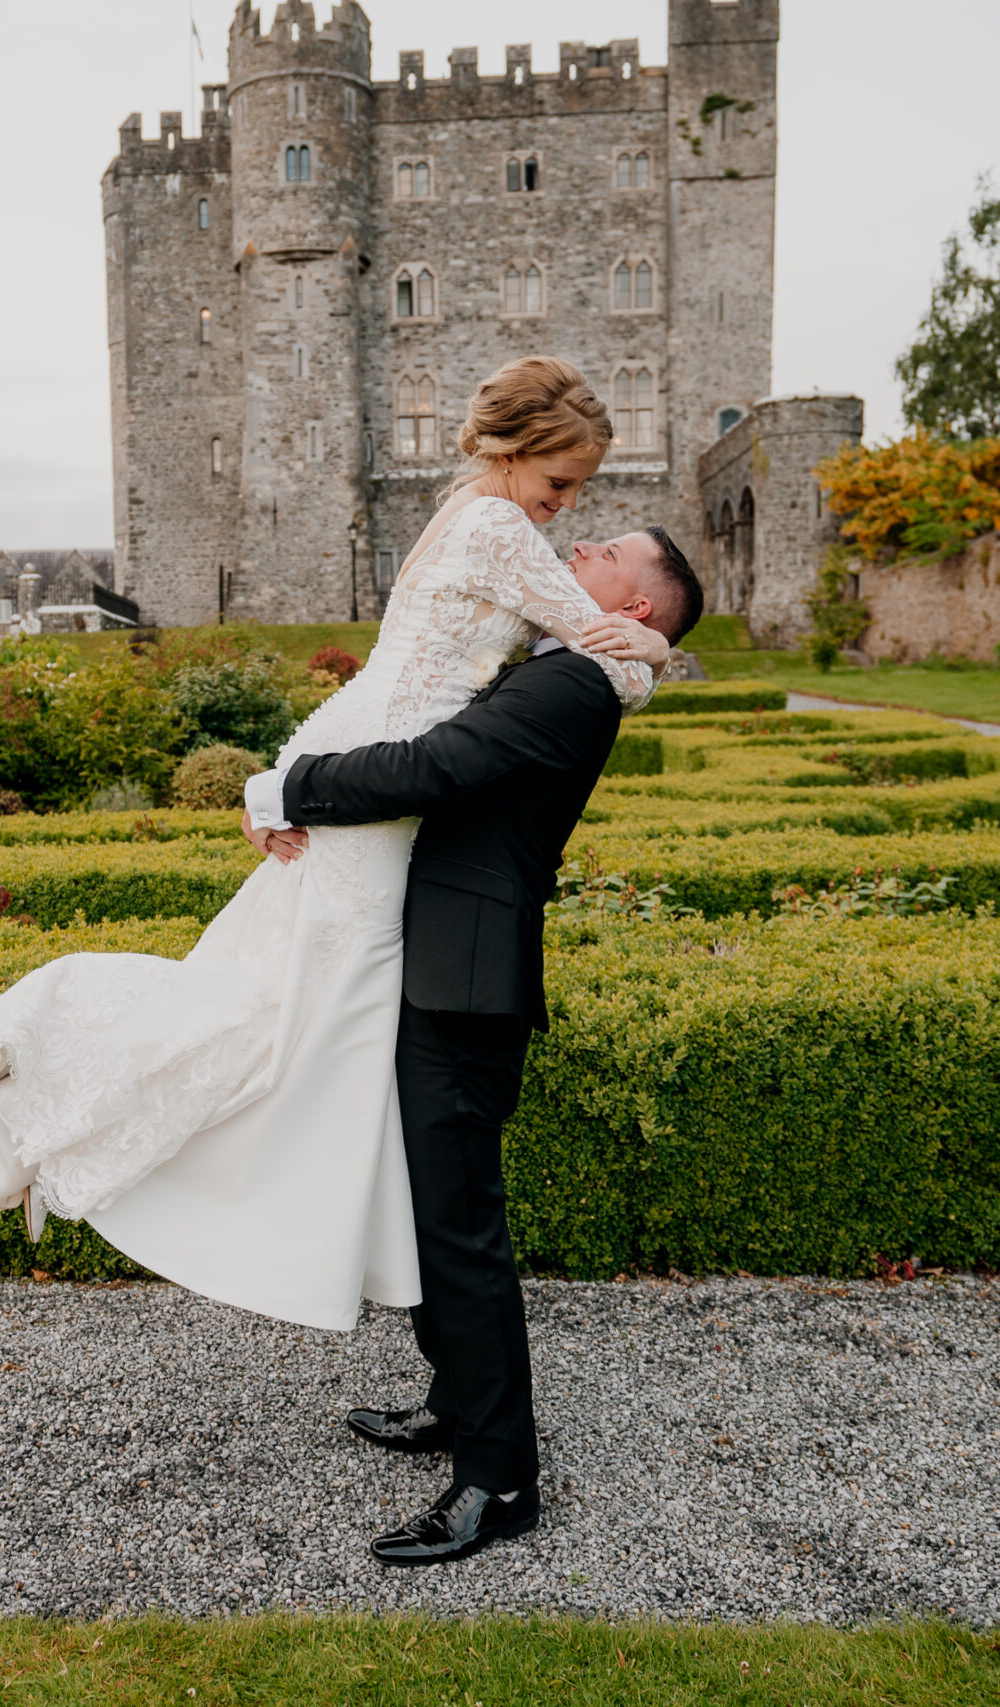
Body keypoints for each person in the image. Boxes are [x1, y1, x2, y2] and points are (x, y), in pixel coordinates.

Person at [0, 354, 679, 1333]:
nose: (565, 510)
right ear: (511, 453)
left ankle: (359, 1262)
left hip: (355, 756)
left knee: (300, 1021)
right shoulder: (494, 523)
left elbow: (397, 671)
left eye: (577, 491)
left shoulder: (465, 513)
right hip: (377, 792)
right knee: (293, 1030)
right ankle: (57, 1095)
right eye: (559, 484)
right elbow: (605, 648)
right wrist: (655, 642)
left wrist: (283, 774)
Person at [241, 516, 700, 1565]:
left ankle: (498, 1480)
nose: (575, 548)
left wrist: (285, 788)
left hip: (465, 985)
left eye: (604, 555)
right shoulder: (572, 663)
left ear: (629, 608)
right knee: (428, 1206)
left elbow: (436, 767)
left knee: (461, 1232)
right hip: (435, 963)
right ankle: (455, 1404)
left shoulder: (576, 682)